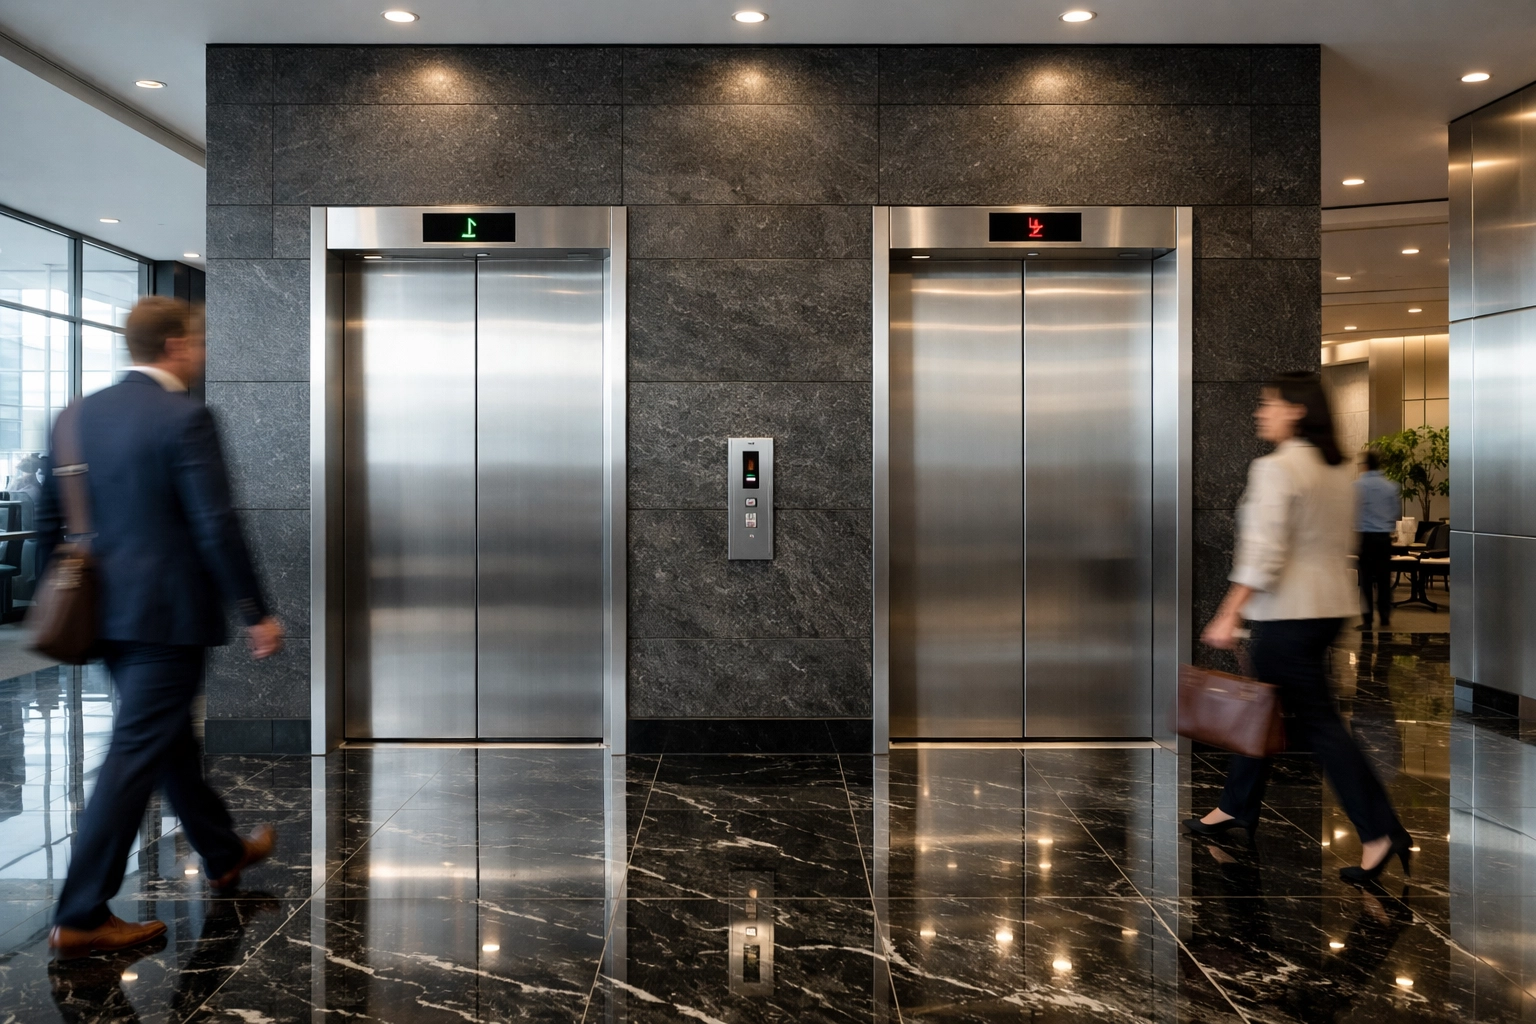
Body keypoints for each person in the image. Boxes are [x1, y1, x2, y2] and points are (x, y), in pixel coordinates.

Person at [40, 297, 285, 958]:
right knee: (133, 757)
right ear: (176, 345)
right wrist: (255, 610)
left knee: (166, 740)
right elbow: (215, 523)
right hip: (165, 617)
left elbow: (48, 515)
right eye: (198, 342)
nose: (201, 353)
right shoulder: (185, 417)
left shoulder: (74, 416)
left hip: (103, 613)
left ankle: (223, 851)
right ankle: (83, 912)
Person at [1186, 371, 1413, 886]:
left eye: (1269, 403)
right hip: (1328, 607)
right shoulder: (1338, 469)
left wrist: (1229, 611)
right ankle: (1234, 807)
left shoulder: (1277, 467)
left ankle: (1381, 830)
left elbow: (1264, 553)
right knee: (1266, 707)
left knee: (1319, 727)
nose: (1259, 412)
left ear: (1297, 410)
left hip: (1289, 611)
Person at [1355, 449, 1399, 631]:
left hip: (1365, 537)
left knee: (1365, 580)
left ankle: (1367, 620)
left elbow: (1352, 512)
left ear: (1364, 466)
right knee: (1383, 578)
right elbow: (1397, 512)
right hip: (1383, 539)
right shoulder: (1391, 486)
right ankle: (1385, 616)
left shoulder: (1357, 486)